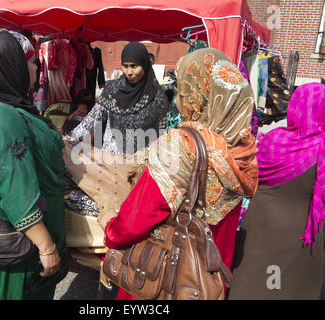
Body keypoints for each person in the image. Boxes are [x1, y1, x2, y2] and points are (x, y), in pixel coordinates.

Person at [98, 48, 258, 300]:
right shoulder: (243, 147)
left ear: (199, 95)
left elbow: (134, 222)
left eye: (183, 91)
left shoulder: (181, 147)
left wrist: (110, 226)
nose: (177, 101)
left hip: (162, 278)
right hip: (206, 280)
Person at [0, 30, 68, 300]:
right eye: (32, 62)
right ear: (13, 65)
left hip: (28, 242)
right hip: (26, 246)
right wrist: (46, 246)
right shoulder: (3, 116)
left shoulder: (8, 107)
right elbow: (14, 189)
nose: (37, 68)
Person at [228, 83, 325, 300]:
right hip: (304, 236)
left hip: (262, 229)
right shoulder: (322, 148)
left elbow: (249, 177)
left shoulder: (274, 141)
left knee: (253, 285)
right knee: (291, 290)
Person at [69, 42, 170, 155]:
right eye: (125, 66)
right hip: (110, 161)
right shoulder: (112, 90)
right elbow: (92, 119)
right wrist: (71, 138)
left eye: (134, 66)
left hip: (139, 163)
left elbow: (162, 134)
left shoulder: (157, 98)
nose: (129, 72)